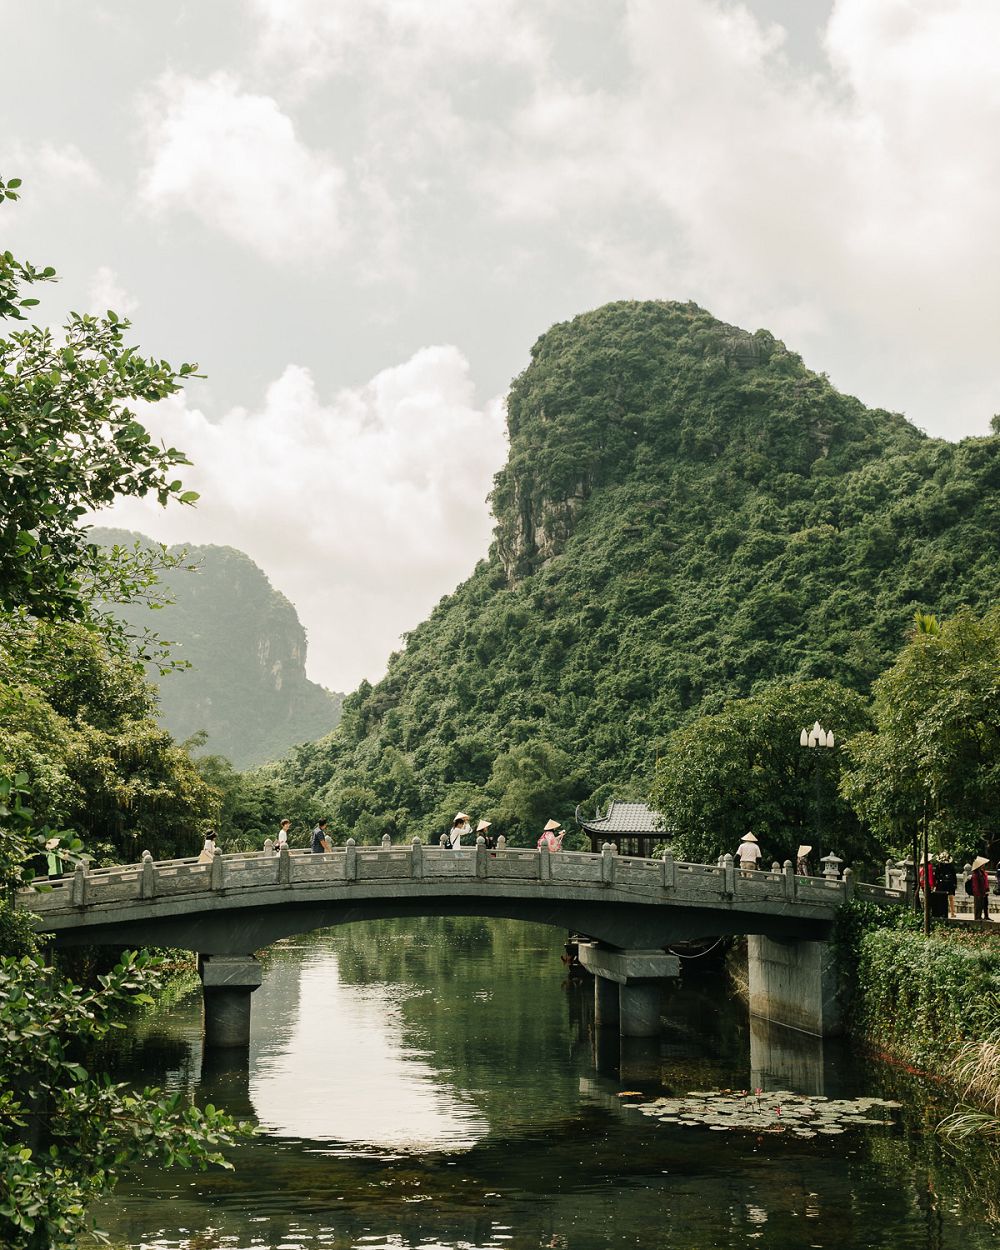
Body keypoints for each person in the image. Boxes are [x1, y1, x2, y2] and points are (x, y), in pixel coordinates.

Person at [934, 852, 958, 918]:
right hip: (945, 884)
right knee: (945, 899)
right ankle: (947, 912)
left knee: (949, 898)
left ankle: (951, 912)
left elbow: (954, 876)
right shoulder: (939, 866)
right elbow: (936, 876)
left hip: (947, 884)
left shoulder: (949, 866)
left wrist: (955, 884)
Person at [969, 856, 991, 921]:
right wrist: (977, 893)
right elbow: (975, 885)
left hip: (982, 891)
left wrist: (986, 889)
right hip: (978, 892)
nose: (983, 865)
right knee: (978, 905)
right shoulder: (975, 874)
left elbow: (985, 882)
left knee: (982, 905)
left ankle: (980, 917)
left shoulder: (982, 872)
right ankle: (977, 917)